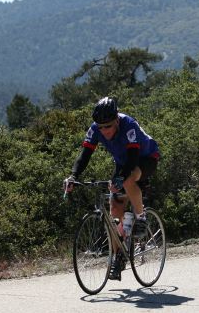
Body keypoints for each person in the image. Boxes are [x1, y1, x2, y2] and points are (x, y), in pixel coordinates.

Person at [65, 96, 160, 279]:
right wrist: (73, 176)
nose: (104, 130)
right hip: (123, 162)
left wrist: (120, 179)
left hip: (145, 158)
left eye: (108, 126)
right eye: (100, 127)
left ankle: (141, 217)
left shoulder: (128, 124)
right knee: (114, 211)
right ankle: (119, 257)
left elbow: (133, 157)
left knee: (125, 181)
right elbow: (85, 154)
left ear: (116, 120)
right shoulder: (96, 129)